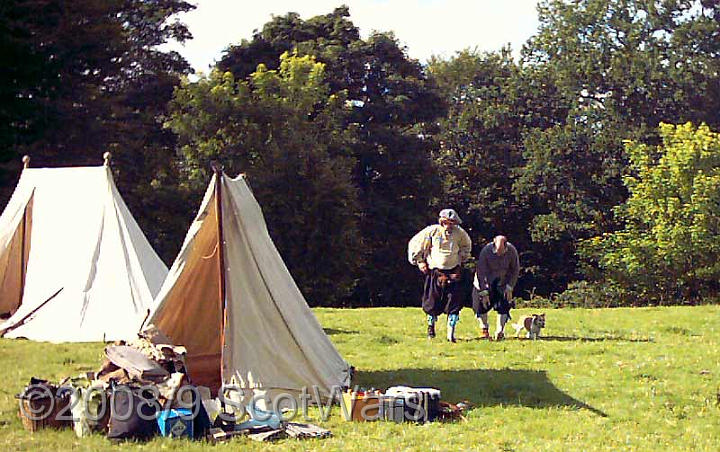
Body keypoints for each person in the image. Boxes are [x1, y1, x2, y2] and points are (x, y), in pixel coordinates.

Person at [408, 208, 472, 342]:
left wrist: (462, 258)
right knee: (431, 303)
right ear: (442, 221)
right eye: (447, 222)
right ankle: (431, 329)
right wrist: (420, 262)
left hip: (454, 272)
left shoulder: (460, 233)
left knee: (454, 304)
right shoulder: (432, 231)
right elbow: (416, 244)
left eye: (452, 223)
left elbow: (466, 247)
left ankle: (450, 334)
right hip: (435, 272)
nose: (449, 226)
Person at [472, 235, 520, 340]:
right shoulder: (486, 251)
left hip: (502, 283)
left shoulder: (512, 251)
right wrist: (484, 292)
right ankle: (484, 329)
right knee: (481, 306)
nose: (499, 254)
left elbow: (515, 270)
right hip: (485, 282)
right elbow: (481, 273)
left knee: (504, 305)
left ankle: (500, 331)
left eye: (501, 252)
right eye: (497, 252)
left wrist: (509, 287)